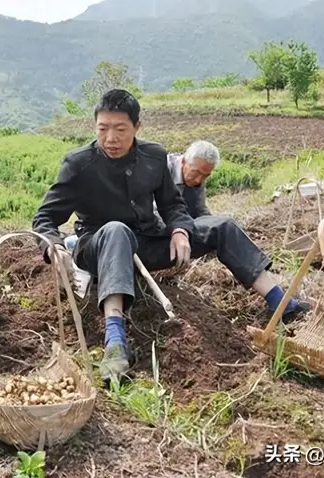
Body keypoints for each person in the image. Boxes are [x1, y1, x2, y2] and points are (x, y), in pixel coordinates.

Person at [32, 89, 308, 382]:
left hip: (147, 241)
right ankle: (115, 342)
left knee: (221, 225)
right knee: (116, 229)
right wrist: (53, 246)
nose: (110, 138)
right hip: (98, 246)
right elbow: (45, 217)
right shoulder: (79, 164)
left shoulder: (153, 156)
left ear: (137, 127)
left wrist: (179, 230)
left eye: (120, 129)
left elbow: (172, 204)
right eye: (103, 129)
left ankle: (281, 302)